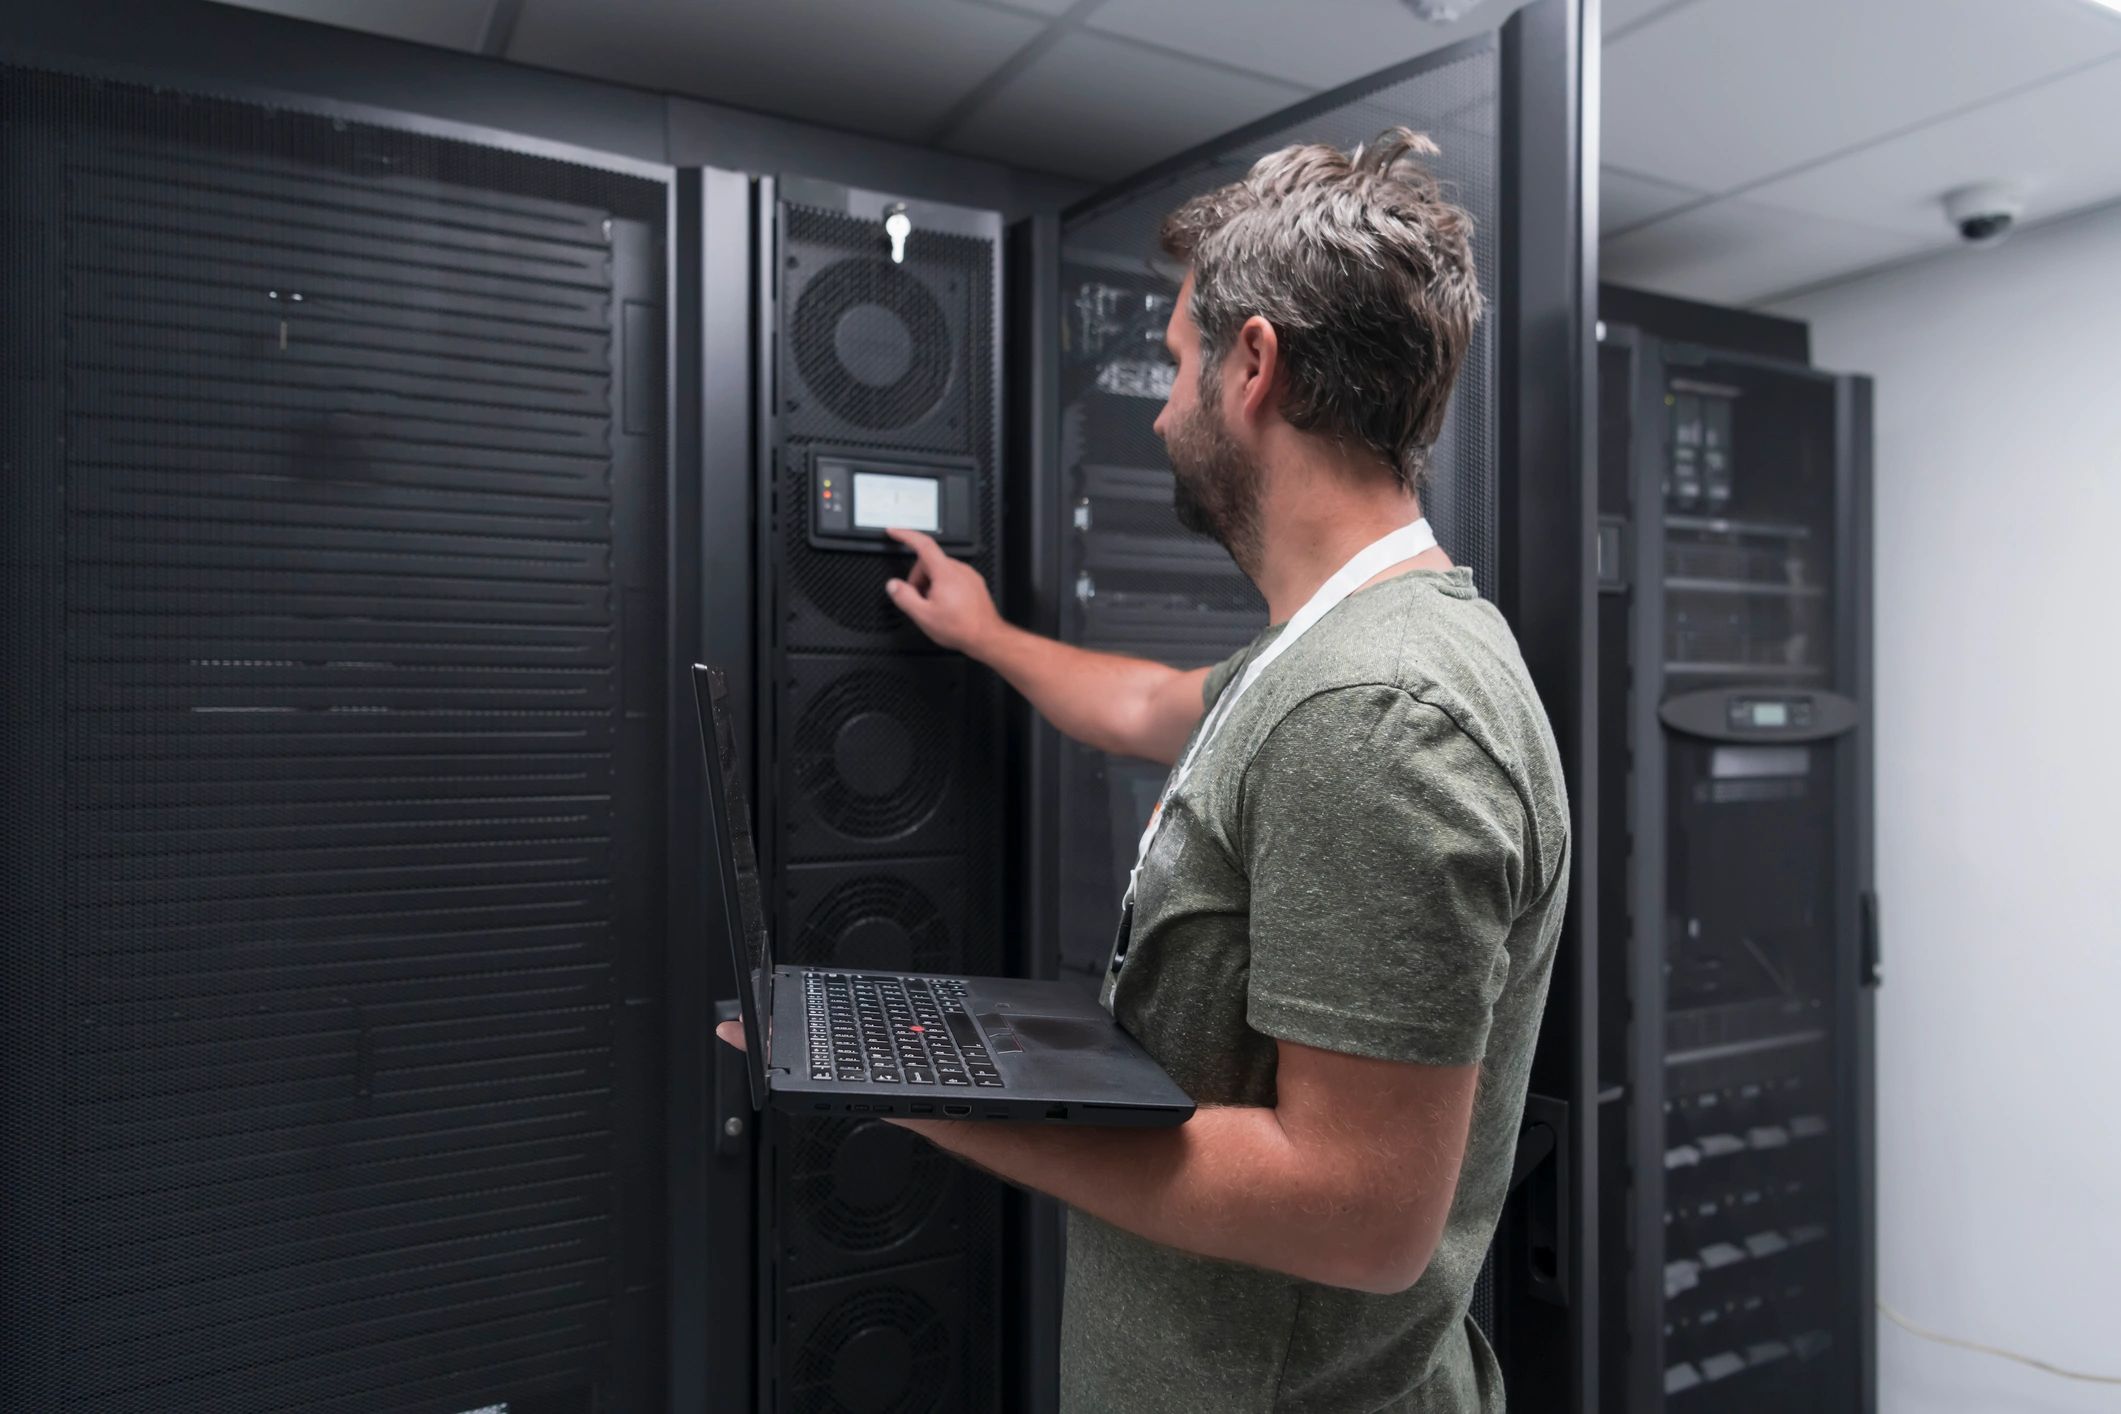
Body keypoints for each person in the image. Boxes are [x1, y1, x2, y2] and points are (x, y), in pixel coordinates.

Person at [718, 127, 1569, 1413]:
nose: (1163, 410)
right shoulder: (1331, 654)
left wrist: (914, 1090)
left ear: (1255, 365)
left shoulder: (1380, 713)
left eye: (1174, 366)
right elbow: (1149, 705)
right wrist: (981, 629)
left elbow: (1361, 1216)